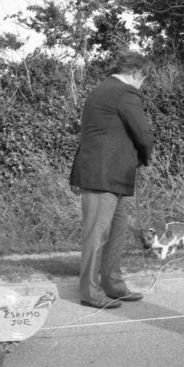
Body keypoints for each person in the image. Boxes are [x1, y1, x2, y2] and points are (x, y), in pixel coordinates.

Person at [69, 51, 155, 309]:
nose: (142, 85)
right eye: (143, 79)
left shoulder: (101, 90)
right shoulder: (125, 92)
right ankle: (90, 292)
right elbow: (143, 132)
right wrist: (145, 156)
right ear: (136, 73)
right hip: (102, 176)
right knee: (96, 236)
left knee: (116, 233)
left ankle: (113, 285)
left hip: (111, 175)